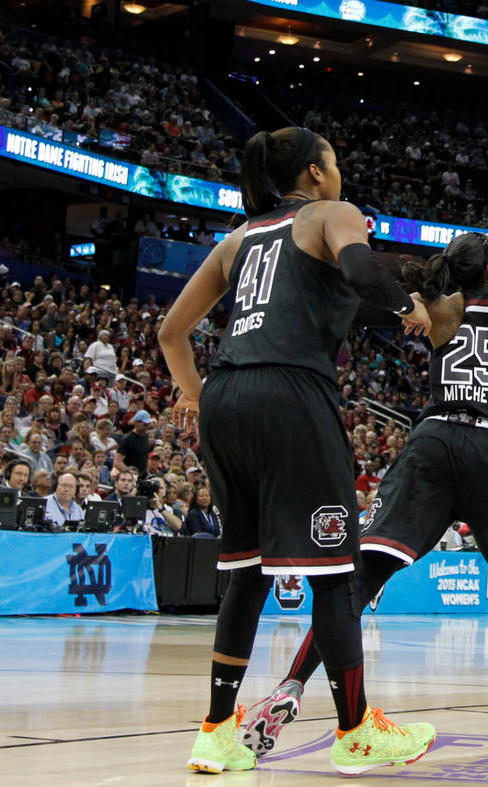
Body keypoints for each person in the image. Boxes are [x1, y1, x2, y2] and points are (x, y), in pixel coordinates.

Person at [239, 137, 488, 767]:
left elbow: (360, 286)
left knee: (362, 579)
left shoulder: (436, 306)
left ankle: (287, 690)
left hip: (430, 443)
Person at [158, 125, 435, 776]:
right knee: (336, 573)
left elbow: (171, 332)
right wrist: (408, 306)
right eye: (334, 162)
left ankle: (216, 730)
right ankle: (355, 730)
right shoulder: (331, 213)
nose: (338, 173)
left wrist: (200, 399)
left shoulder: (238, 237)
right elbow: (362, 268)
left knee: (247, 572)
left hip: (224, 397)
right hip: (292, 393)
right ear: (313, 173)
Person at [115, 410, 153, 476]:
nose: (146, 427)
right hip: (132, 476)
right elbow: (117, 462)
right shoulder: (128, 439)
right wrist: (130, 474)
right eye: (144, 424)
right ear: (136, 423)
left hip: (142, 475)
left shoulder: (145, 437)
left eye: (148, 424)